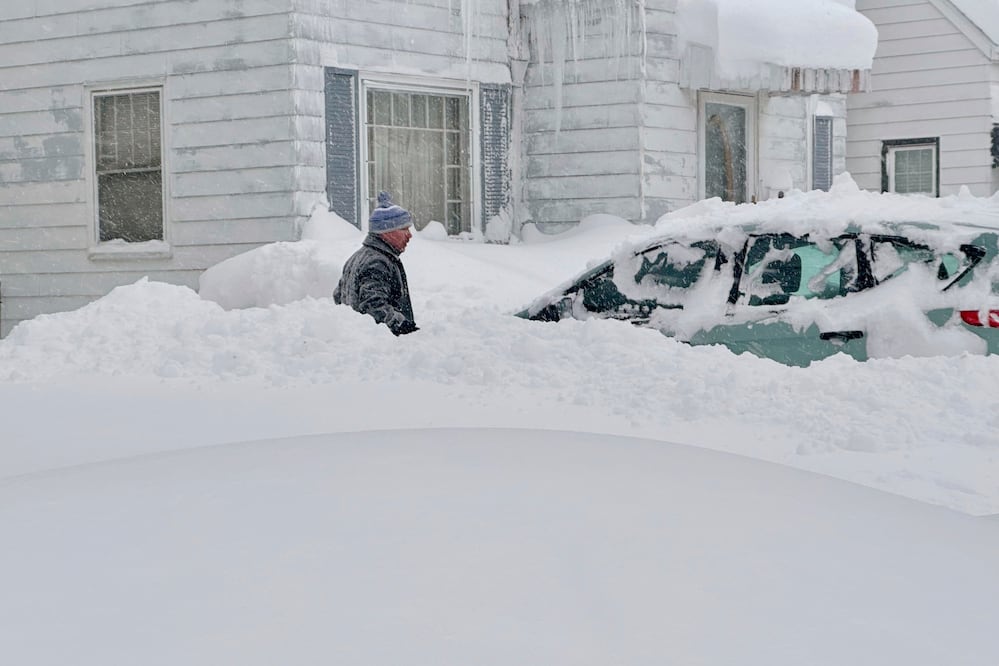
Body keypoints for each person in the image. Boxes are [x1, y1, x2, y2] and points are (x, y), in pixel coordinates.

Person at [333, 192, 419, 336]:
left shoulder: (358, 257)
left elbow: (338, 296)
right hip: (378, 342)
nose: (409, 235)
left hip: (357, 338)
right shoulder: (378, 262)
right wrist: (400, 325)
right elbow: (373, 305)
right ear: (387, 232)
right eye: (404, 229)